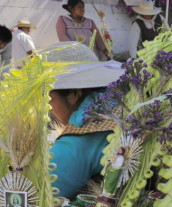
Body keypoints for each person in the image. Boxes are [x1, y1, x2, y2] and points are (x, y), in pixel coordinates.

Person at [45, 46, 123, 199]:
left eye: (48, 97)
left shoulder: (75, 143)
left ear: (74, 94)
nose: (46, 106)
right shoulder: (120, 100)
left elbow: (40, 199)